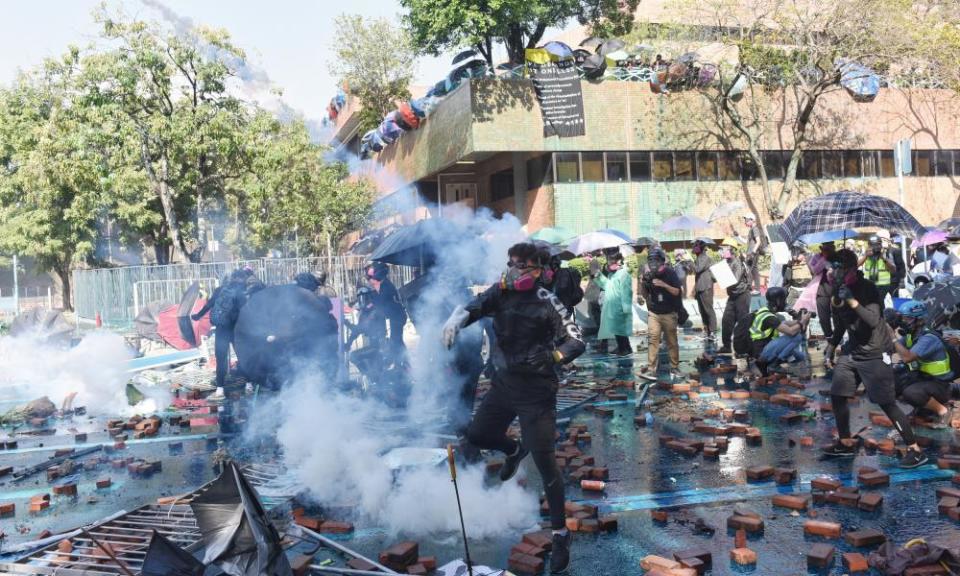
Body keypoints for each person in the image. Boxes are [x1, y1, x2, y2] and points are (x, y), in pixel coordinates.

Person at [441, 242, 585, 573]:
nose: (515, 270)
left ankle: (561, 534)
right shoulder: (500, 292)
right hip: (504, 383)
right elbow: (473, 307)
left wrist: (553, 356)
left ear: (539, 271)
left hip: (536, 391)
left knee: (546, 465)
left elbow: (576, 341)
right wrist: (455, 320)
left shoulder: (548, 302)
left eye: (524, 265)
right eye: (512, 263)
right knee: (477, 433)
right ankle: (513, 449)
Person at [822, 249, 927, 468]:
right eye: (830, 268)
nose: (831, 272)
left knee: (886, 402)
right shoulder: (836, 290)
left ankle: (915, 449)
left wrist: (851, 300)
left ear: (849, 269)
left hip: (875, 351)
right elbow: (841, 322)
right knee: (838, 394)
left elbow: (871, 319)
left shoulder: (867, 288)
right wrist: (831, 346)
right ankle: (845, 441)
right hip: (853, 350)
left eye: (836, 268)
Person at [891, 300, 956, 426]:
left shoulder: (928, 338)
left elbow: (907, 357)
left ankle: (943, 411)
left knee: (911, 393)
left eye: (908, 319)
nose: (904, 322)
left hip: (940, 385)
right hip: (923, 379)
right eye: (903, 318)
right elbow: (894, 347)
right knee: (892, 382)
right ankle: (922, 408)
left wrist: (892, 337)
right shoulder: (912, 335)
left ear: (919, 320)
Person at [193, 270, 249, 389]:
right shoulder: (240, 292)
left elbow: (209, 305)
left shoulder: (219, 290)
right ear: (240, 279)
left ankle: (219, 388)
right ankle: (249, 385)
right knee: (243, 357)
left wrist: (198, 316)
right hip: (235, 330)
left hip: (221, 330)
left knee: (221, 359)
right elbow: (246, 312)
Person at [639, 248, 682, 379]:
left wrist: (664, 285)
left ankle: (674, 367)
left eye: (655, 260)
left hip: (669, 313)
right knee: (653, 339)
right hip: (654, 313)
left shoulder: (670, 273)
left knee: (672, 341)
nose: (653, 263)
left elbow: (677, 292)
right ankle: (651, 368)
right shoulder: (648, 275)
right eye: (650, 260)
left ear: (662, 261)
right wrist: (643, 284)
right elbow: (645, 295)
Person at [749, 287, 812, 376]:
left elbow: (787, 323)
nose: (785, 302)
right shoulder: (769, 317)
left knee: (800, 357)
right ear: (778, 301)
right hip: (761, 352)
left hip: (767, 348)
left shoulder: (768, 312)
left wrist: (801, 319)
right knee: (797, 336)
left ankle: (773, 363)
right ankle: (774, 364)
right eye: (783, 300)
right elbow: (791, 332)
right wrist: (802, 322)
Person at [594, 249, 633, 355]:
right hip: (612, 305)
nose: (610, 263)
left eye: (612, 260)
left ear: (618, 261)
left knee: (620, 329)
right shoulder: (613, 274)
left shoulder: (623, 274)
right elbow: (607, 286)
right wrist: (599, 277)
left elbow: (626, 292)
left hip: (619, 305)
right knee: (617, 329)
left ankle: (624, 349)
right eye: (609, 260)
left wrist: (625, 308)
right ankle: (625, 347)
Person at [365, 262, 407, 354]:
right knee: (397, 340)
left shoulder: (386, 286)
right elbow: (376, 300)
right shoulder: (383, 284)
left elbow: (380, 301)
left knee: (396, 340)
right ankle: (402, 363)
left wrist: (371, 311)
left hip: (398, 316)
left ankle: (404, 363)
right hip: (395, 316)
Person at [718, 242, 751, 354]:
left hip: (742, 294)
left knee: (743, 322)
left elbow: (735, 280)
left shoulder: (737, 262)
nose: (722, 251)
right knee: (726, 320)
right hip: (732, 296)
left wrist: (722, 275)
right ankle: (726, 346)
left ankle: (744, 349)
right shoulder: (726, 263)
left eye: (724, 249)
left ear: (731, 250)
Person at [808, 241, 836, 340]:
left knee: (837, 315)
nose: (829, 250)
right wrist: (824, 257)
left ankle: (837, 336)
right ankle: (829, 335)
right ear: (821, 248)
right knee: (823, 317)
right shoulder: (816, 257)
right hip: (821, 290)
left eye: (831, 247)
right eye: (825, 248)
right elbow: (814, 271)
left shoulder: (838, 256)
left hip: (836, 290)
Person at [691, 239, 717, 342]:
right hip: (700, 288)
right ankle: (707, 331)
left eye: (695, 246)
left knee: (708, 310)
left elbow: (698, 269)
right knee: (702, 311)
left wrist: (690, 261)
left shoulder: (705, 258)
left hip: (706, 287)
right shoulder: (698, 258)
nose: (694, 248)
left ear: (700, 248)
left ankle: (713, 332)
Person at [859, 236, 896, 302]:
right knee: (870, 303)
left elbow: (893, 270)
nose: (875, 247)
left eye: (877, 245)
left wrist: (883, 258)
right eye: (872, 245)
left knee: (879, 303)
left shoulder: (886, 254)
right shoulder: (866, 254)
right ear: (869, 246)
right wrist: (865, 256)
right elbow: (855, 266)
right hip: (869, 284)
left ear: (881, 245)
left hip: (883, 285)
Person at [744, 214, 767, 293]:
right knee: (754, 270)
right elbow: (750, 242)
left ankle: (749, 288)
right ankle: (756, 289)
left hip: (753, 253)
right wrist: (738, 237)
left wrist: (753, 252)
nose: (745, 222)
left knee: (749, 270)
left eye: (747, 220)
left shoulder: (755, 229)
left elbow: (758, 241)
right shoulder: (752, 229)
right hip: (751, 252)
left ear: (752, 220)